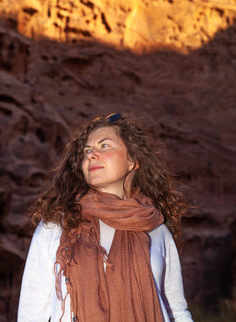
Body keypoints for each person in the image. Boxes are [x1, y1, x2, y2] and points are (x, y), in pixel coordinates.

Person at [18, 113, 193, 322]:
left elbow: (176, 311)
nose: (91, 155)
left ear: (132, 161)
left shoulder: (156, 229)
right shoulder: (57, 225)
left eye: (104, 146)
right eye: (87, 151)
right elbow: (32, 312)